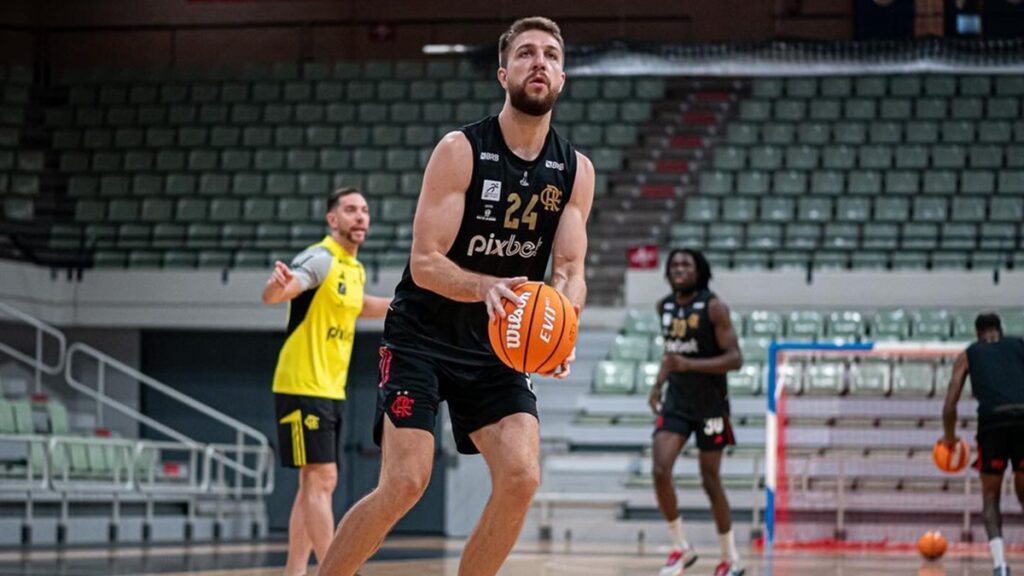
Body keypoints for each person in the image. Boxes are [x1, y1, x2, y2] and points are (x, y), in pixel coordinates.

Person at [318, 16, 594, 576]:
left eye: (549, 55)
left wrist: (564, 318)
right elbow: (424, 264)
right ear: (503, 72)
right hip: (423, 335)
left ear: (562, 77)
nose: (538, 62)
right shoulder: (460, 150)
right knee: (405, 482)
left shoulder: (574, 170)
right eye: (525, 54)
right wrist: (484, 286)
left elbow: (569, 269)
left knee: (521, 476)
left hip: (497, 345)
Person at [261, 187, 391, 576]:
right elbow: (281, 291)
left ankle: (294, 571)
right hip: (302, 383)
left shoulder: (354, 269)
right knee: (324, 480)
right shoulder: (320, 259)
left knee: (312, 486)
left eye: (365, 210)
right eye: (351, 210)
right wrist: (276, 285)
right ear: (332, 219)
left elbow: (360, 306)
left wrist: (407, 305)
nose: (360, 217)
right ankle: (337, 568)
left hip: (330, 388)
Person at [648, 249, 744, 576]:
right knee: (660, 470)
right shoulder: (665, 306)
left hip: (711, 405)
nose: (679, 269)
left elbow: (735, 359)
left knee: (710, 480)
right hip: (677, 401)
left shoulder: (714, 307)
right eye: (674, 264)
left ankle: (730, 559)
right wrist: (658, 385)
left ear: (698, 271)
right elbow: (671, 351)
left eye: (686, 264)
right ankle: (680, 548)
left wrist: (688, 365)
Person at [942, 312, 1024, 576]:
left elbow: (950, 404)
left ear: (977, 334)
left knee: (990, 497)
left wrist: (950, 437)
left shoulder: (968, 354)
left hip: (992, 423)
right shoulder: (1020, 345)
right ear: (1001, 330)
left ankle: (1000, 565)